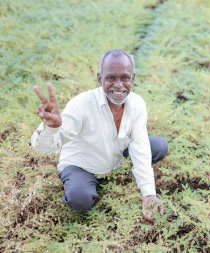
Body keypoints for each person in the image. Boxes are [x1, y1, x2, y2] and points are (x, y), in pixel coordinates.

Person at [31, 49, 168, 222]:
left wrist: (149, 194)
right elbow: (45, 148)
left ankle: (119, 171)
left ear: (132, 78)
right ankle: (85, 184)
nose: (118, 85)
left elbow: (139, 146)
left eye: (124, 78)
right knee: (79, 199)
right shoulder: (82, 104)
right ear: (99, 78)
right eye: (111, 77)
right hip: (82, 166)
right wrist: (52, 128)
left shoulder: (137, 104)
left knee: (158, 146)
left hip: (117, 158)